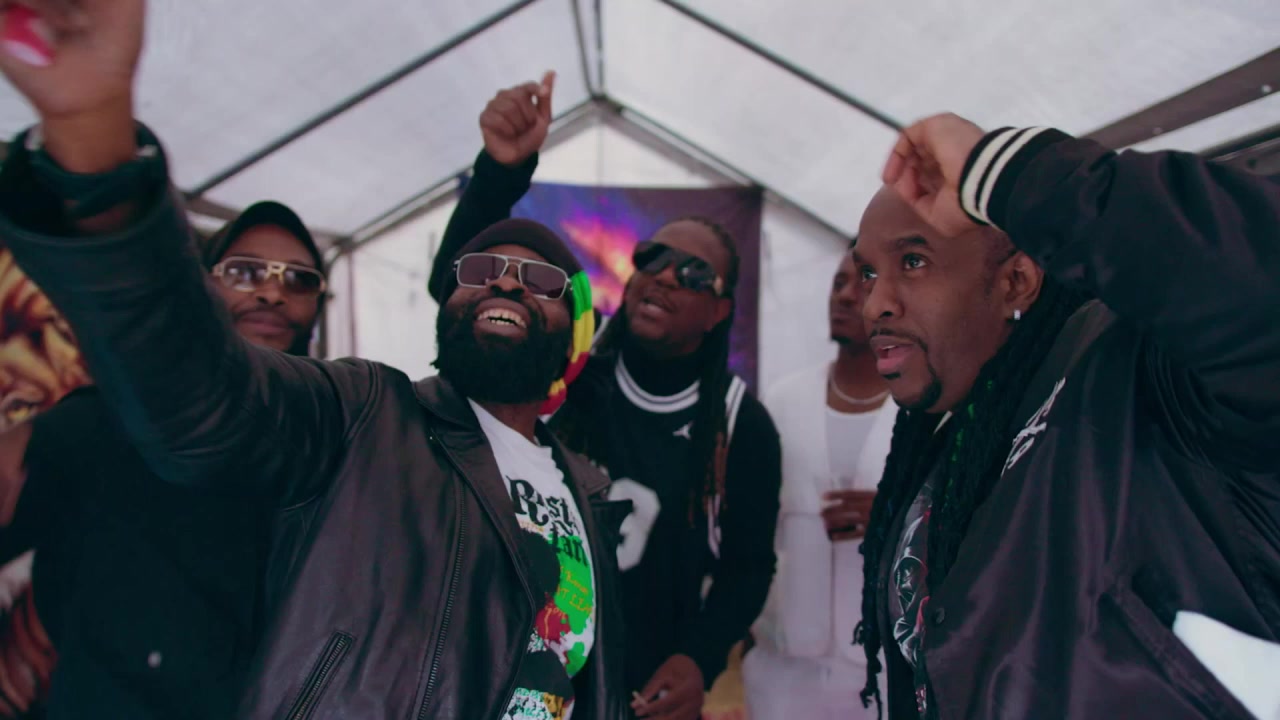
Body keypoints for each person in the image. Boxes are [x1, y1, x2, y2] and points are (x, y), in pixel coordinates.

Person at [0, 4, 628, 717]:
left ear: (573, 333)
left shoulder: (587, 490)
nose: (506, 284)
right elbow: (201, 388)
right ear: (445, 307)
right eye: (480, 270)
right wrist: (93, 140)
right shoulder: (367, 415)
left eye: (539, 279)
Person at [850, 114, 1280, 719]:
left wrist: (1010, 174)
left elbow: (1254, 285)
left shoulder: (1143, 378)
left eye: (914, 261)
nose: (875, 303)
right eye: (868, 272)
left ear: (1017, 280)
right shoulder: (950, 441)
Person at [428, 75, 783, 720]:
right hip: (525, 674)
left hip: (643, 694)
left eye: (693, 273)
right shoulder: (566, 375)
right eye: (653, 256)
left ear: (719, 311)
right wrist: (500, 172)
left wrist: (699, 658)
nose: (665, 275)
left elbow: (748, 568)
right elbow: (462, 297)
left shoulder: (740, 425)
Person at [0, 200, 328, 718]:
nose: (272, 293)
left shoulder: (332, 447)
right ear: (200, 288)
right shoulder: (105, 420)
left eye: (300, 280)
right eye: (244, 272)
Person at [742, 238, 895, 720]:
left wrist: (896, 515)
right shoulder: (783, 398)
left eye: (862, 282)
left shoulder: (924, 406)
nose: (844, 296)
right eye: (838, 283)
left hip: (884, 670)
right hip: (783, 665)